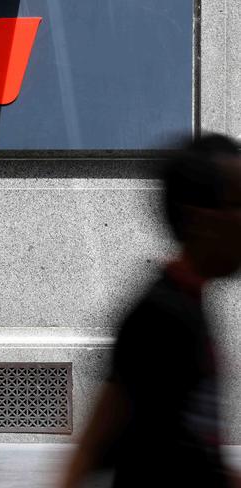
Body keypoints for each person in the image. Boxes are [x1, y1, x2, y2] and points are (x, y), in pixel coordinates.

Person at [60, 134, 241, 488]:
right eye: (238, 204)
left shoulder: (190, 304)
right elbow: (93, 446)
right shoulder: (159, 317)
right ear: (199, 218)